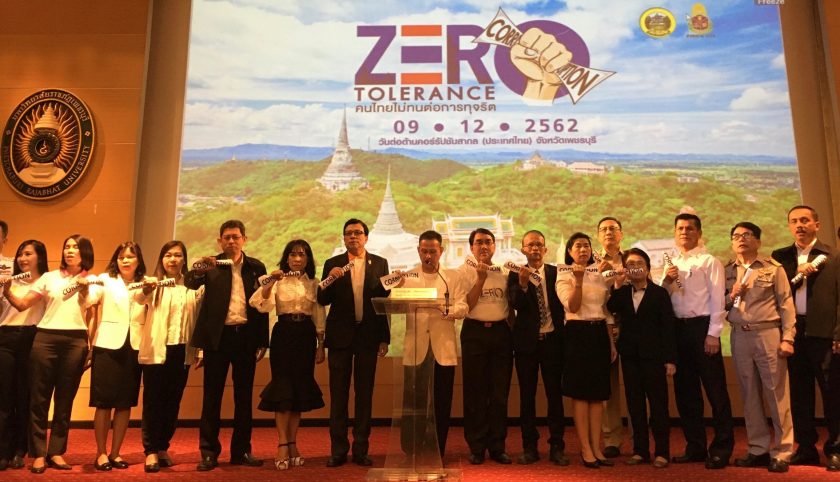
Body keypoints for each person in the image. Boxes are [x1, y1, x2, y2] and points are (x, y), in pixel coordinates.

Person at [2, 234, 96, 473]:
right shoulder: (49, 277)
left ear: (85, 252)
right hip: (45, 338)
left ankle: (56, 452)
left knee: (65, 400)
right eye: (67, 247)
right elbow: (22, 304)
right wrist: (7, 290)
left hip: (76, 341)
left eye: (75, 247)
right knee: (39, 398)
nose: (69, 251)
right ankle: (37, 453)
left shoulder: (93, 279)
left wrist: (91, 346)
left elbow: (91, 310)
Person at [186, 220, 269, 471]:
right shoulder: (211, 265)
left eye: (236, 237)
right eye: (227, 237)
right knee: (212, 397)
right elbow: (190, 282)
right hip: (217, 339)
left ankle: (241, 451)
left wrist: (262, 340)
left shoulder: (256, 267)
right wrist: (200, 269)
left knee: (244, 397)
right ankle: (209, 452)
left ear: (244, 239)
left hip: (245, 337)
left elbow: (262, 305)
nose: (231, 241)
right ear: (219, 241)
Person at [662, 213, 734, 469]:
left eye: (689, 228)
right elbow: (662, 297)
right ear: (675, 233)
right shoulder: (671, 263)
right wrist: (666, 280)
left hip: (702, 327)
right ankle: (695, 447)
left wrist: (713, 333)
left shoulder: (709, 261)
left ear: (699, 233)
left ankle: (722, 448)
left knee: (715, 391)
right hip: (677, 329)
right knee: (686, 392)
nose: (684, 232)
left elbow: (717, 298)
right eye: (680, 228)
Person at [771, 205, 840, 471]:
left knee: (832, 394)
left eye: (805, 220)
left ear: (816, 225)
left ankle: (835, 449)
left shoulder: (832, 255)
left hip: (823, 333)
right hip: (792, 332)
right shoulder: (780, 257)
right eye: (794, 221)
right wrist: (797, 272)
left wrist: (837, 333)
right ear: (789, 226)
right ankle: (806, 448)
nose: (799, 225)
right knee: (799, 394)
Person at [318, 218, 390, 467]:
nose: (353, 236)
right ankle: (338, 450)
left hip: (368, 337)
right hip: (340, 337)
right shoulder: (333, 263)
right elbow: (322, 299)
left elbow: (382, 303)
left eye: (358, 233)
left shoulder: (380, 263)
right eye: (348, 233)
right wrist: (330, 279)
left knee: (364, 394)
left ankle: (361, 449)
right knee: (338, 395)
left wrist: (384, 337)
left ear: (366, 237)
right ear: (344, 238)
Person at [724, 222, 795, 473]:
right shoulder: (726, 270)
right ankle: (758, 448)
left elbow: (786, 304)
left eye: (747, 235)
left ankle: (783, 451)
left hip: (768, 333)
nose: (741, 239)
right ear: (732, 242)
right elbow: (719, 304)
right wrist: (730, 295)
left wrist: (788, 338)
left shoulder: (772, 268)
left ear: (758, 241)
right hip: (739, 335)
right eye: (736, 236)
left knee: (777, 394)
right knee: (749, 394)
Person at [250, 240, 326, 471]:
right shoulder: (277, 280)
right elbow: (259, 304)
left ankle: (293, 444)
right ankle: (282, 444)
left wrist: (321, 344)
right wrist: (271, 282)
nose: (297, 259)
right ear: (286, 258)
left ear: (308, 259)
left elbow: (318, 314)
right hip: (283, 334)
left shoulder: (314, 283)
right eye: (293, 254)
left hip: (306, 336)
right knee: (283, 390)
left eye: (302, 255)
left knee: (299, 390)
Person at [395, 230, 468, 460]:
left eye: (432, 251)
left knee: (441, 401)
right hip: (416, 347)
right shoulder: (408, 276)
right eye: (424, 251)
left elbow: (463, 306)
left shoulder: (451, 277)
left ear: (441, 251)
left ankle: (438, 450)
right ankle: (411, 449)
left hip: (443, 348)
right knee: (413, 401)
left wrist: (446, 309)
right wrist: (397, 287)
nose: (428, 256)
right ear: (418, 251)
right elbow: (395, 303)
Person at [607, 248, 676, 469]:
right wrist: (618, 284)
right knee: (635, 405)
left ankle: (662, 452)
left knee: (658, 406)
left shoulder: (659, 293)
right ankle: (640, 451)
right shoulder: (623, 292)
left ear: (647, 268)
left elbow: (668, 328)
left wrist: (670, 359)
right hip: (630, 357)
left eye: (639, 263)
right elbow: (611, 307)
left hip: (654, 357)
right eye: (630, 264)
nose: (635, 267)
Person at [137, 240, 202, 472]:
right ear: (161, 259)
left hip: (182, 351)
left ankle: (163, 446)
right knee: (153, 401)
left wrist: (200, 350)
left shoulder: (191, 288)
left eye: (177, 255)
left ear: (184, 260)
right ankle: (151, 450)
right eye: (168, 255)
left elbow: (198, 320)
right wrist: (147, 288)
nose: (172, 259)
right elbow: (139, 299)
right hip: (157, 350)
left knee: (173, 401)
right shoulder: (153, 284)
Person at [556, 232, 617, 469]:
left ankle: (597, 447)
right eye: (578, 246)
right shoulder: (563, 274)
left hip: (599, 333)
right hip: (577, 334)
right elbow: (572, 306)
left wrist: (611, 342)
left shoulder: (600, 273)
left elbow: (607, 311)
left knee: (598, 395)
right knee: (581, 394)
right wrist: (578, 280)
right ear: (569, 251)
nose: (583, 249)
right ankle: (585, 448)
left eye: (587, 246)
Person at [508, 230, 569, 466]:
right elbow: (515, 304)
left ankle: (557, 446)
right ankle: (529, 447)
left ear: (545, 249)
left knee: (555, 395)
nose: (535, 249)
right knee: (527, 396)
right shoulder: (515, 273)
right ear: (523, 249)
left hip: (553, 341)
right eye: (530, 245)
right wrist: (523, 286)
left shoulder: (556, 273)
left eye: (539, 245)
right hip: (527, 344)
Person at [85, 242, 147, 471]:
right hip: (107, 346)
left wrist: (148, 290)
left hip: (134, 346)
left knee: (125, 403)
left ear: (138, 260)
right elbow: (90, 299)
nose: (125, 261)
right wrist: (84, 287)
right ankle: (101, 453)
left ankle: (115, 453)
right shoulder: (105, 279)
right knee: (103, 402)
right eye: (121, 257)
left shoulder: (147, 282)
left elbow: (147, 303)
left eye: (130, 257)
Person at [458, 228, 513, 465]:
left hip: (501, 333)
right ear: (471, 247)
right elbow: (467, 306)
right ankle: (477, 446)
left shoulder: (504, 272)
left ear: (494, 246)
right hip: (474, 332)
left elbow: (511, 306)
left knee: (499, 394)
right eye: (479, 242)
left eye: (488, 242)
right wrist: (480, 279)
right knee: (475, 393)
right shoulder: (463, 272)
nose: (484, 246)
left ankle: (497, 446)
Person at [0, 240, 47, 471]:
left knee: (24, 396)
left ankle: (20, 450)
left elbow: (23, 306)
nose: (22, 258)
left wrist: (7, 291)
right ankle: (3, 451)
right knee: (4, 397)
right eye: (20, 254)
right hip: (5, 337)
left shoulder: (46, 281)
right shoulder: (9, 279)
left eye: (28, 254)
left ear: (40, 257)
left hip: (32, 337)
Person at [595, 217, 627, 458]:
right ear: (598, 235)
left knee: (636, 385)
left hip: (631, 327)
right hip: (603, 328)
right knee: (609, 388)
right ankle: (611, 439)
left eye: (613, 229)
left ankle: (640, 440)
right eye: (604, 229)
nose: (608, 233)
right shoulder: (591, 262)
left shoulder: (632, 260)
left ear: (621, 234)